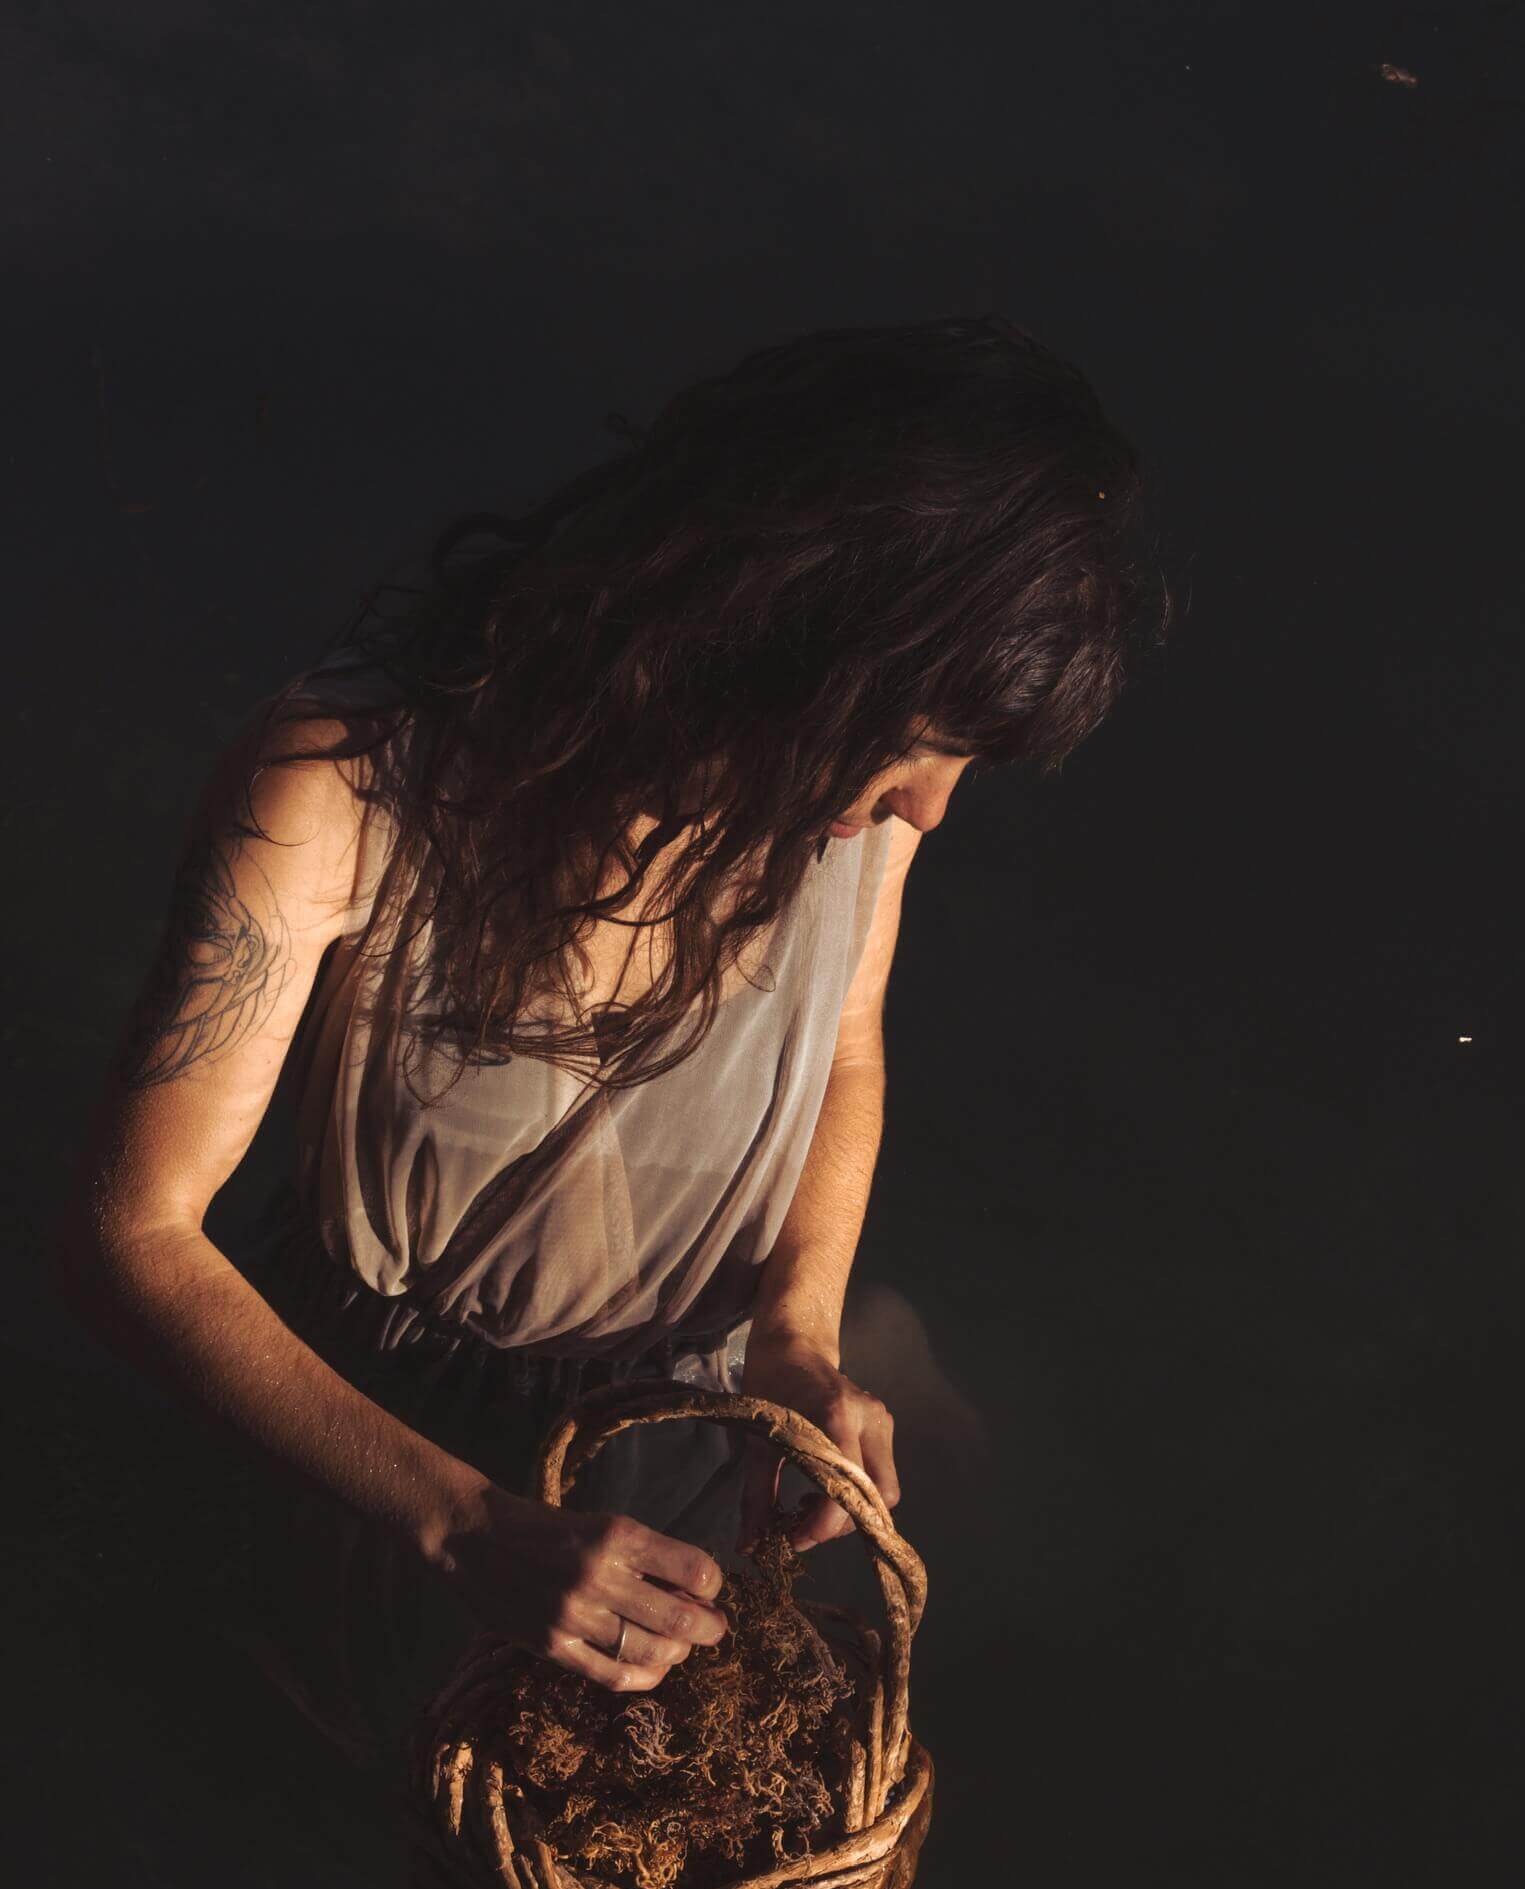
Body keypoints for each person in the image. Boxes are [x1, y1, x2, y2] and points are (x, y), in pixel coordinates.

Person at [58, 314, 1167, 1735]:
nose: (926, 809)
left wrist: (796, 1333)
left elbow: (842, 1047)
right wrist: (464, 1524)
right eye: (909, 748)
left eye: (953, 764)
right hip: (393, 1404)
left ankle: (872, 1335)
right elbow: (128, 1237)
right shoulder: (343, 789)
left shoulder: (851, 808)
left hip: (691, 1392)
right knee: (316, 1726)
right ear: (780, 633)